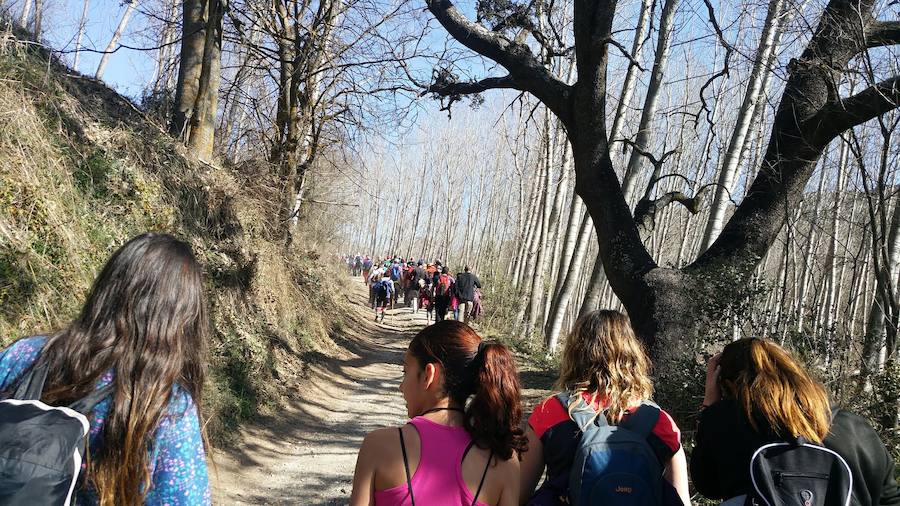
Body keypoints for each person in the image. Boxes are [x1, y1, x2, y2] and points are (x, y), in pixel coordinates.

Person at [0, 233, 211, 505]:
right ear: (181, 319)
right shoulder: (162, 403)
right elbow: (184, 499)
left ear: (108, 289)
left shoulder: (25, 354)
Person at [691, 337, 900, 505]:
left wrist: (709, 405)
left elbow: (708, 486)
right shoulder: (855, 428)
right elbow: (889, 497)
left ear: (727, 385)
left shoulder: (725, 421)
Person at [520, 310, 690, 505]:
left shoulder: (551, 412)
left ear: (576, 352)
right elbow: (682, 501)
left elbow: (516, 494)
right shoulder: (661, 422)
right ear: (633, 354)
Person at [350, 321, 526, 506]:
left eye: (405, 371)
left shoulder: (379, 446)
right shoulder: (503, 460)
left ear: (428, 374)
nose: (401, 387)